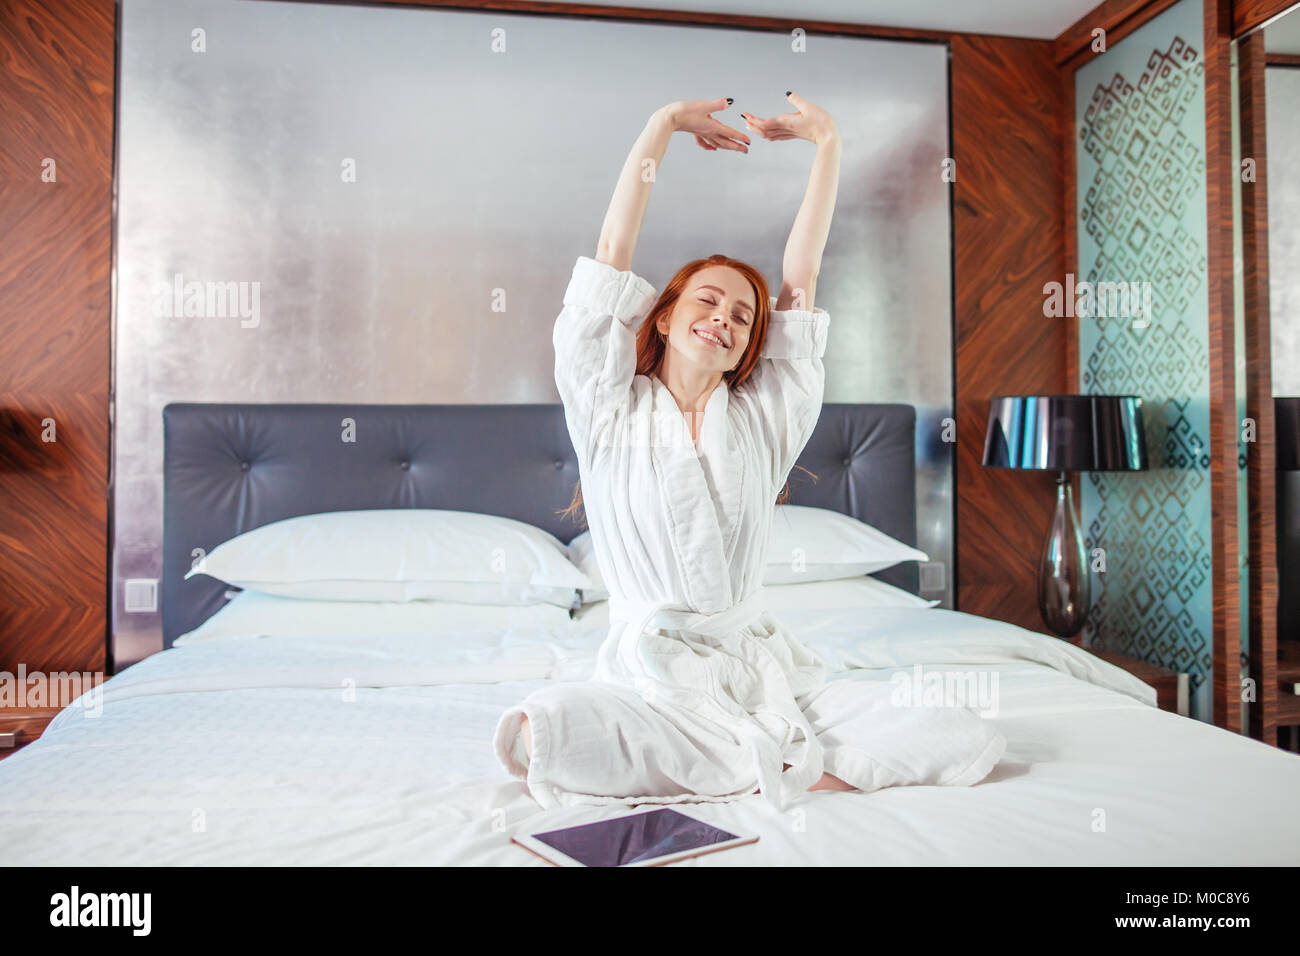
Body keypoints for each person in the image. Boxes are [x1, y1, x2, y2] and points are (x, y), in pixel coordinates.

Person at [493, 94, 1006, 812]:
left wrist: (828, 145)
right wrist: (661, 127)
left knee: (951, 730)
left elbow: (802, 280)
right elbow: (612, 255)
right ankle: (770, 763)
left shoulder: (767, 418)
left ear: (750, 345)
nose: (723, 320)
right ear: (664, 317)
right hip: (649, 679)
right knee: (554, 727)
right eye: (707, 302)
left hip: (757, 669)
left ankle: (745, 761)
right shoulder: (608, 407)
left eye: (741, 316)